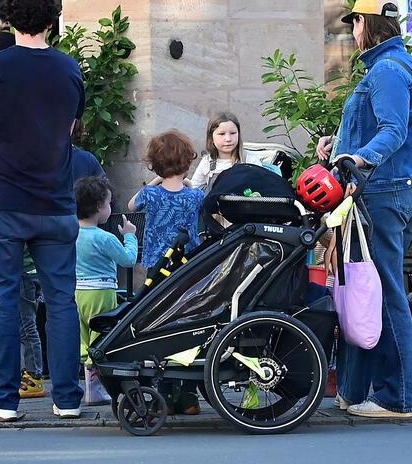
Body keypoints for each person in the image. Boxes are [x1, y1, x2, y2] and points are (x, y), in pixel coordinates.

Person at [0, 0, 87, 424]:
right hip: (55, 200)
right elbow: (69, 128)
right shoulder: (69, 69)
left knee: (3, 299)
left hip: (4, 198)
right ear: (51, 20)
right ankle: (68, 398)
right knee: (62, 300)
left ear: (8, 20)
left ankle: (2, 399)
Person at [316, 0, 412, 420]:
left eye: (355, 24)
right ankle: (354, 388)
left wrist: (361, 157)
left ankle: (399, 397)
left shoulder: (386, 71)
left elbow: (394, 129)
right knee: (362, 288)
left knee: (380, 291)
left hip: (383, 193)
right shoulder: (395, 66)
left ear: (366, 24)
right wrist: (340, 146)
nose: (352, 32)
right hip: (387, 190)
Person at [73, 174, 137, 407]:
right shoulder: (105, 237)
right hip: (101, 291)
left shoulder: (70, 234)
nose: (110, 207)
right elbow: (128, 260)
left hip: (76, 292)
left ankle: (82, 387)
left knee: (81, 341)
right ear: (100, 207)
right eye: (109, 203)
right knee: (100, 340)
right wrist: (130, 235)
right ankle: (96, 389)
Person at [130, 131, 205, 273]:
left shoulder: (150, 193)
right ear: (187, 162)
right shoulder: (196, 195)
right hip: (186, 262)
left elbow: (131, 206)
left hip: (156, 262)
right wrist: (190, 185)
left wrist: (157, 180)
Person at [187, 111, 274, 190]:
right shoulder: (207, 161)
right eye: (221, 134)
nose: (228, 139)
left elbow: (262, 187)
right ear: (211, 138)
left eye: (232, 133)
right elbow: (193, 188)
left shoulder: (250, 160)